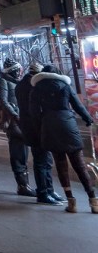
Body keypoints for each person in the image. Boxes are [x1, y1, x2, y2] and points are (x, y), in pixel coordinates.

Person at [30, 64, 96, 213]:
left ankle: (71, 202)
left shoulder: (37, 89)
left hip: (50, 128)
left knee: (61, 166)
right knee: (79, 165)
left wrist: (41, 126)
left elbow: (34, 112)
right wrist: (88, 119)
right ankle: (93, 200)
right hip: (68, 126)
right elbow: (78, 105)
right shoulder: (65, 86)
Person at [15, 58, 61, 205]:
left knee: (45, 159)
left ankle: (48, 190)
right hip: (37, 127)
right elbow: (36, 109)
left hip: (30, 127)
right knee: (42, 161)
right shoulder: (33, 86)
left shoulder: (21, 85)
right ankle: (44, 193)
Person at [0, 58, 36, 197]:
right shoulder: (3, 82)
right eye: (18, 70)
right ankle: (22, 185)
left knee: (23, 152)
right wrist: (14, 115)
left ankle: (25, 184)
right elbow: (3, 101)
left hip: (22, 120)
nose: (20, 72)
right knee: (18, 151)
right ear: (13, 70)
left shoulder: (18, 83)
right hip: (13, 122)